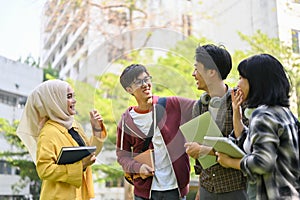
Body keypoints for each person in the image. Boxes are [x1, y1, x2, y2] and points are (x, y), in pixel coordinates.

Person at [216, 54, 300, 200]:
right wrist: (237, 112)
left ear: (256, 82)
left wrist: (229, 162)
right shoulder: (283, 113)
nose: (237, 84)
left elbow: (262, 162)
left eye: (241, 78)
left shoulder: (263, 115)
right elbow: (251, 144)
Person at [16, 79, 107, 200]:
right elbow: (44, 170)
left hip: (79, 195)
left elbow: (90, 152)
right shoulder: (48, 133)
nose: (74, 100)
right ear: (54, 100)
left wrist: (96, 128)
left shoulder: (74, 125)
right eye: (69, 96)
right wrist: (81, 165)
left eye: (73, 96)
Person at [116, 64, 196, 200]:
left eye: (147, 79)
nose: (145, 84)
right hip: (144, 191)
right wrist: (137, 167)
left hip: (175, 189)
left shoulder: (173, 104)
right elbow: (122, 156)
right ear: (129, 89)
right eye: (138, 82)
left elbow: (201, 107)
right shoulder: (126, 121)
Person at [184, 44, 248, 200]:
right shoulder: (199, 105)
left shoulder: (240, 102)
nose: (193, 74)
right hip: (207, 188)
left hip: (235, 188)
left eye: (197, 69)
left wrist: (204, 149)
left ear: (212, 72)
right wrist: (200, 187)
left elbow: (245, 147)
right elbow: (201, 158)